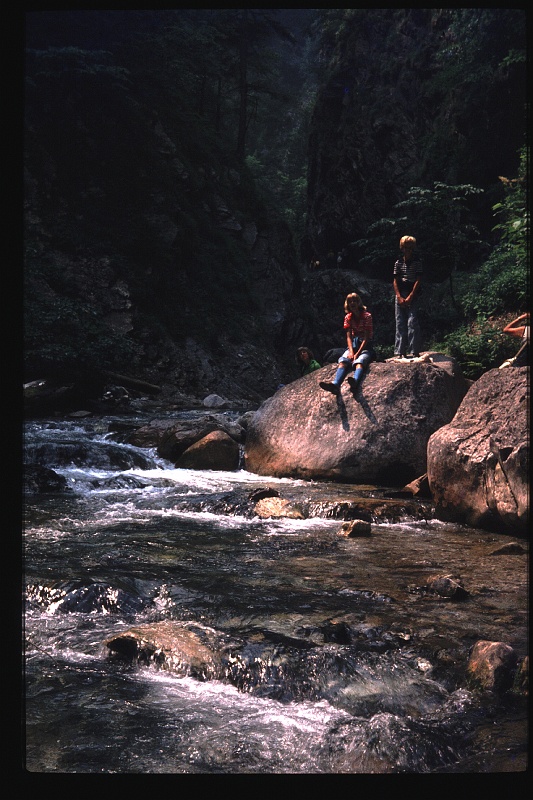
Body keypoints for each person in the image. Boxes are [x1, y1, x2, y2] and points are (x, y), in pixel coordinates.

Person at [319, 292, 374, 395]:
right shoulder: (348, 317)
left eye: (355, 301)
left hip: (365, 345)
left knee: (359, 361)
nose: (352, 303)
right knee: (344, 360)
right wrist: (351, 352)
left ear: (359, 303)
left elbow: (366, 338)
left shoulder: (367, 316)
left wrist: (357, 354)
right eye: (350, 302)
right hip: (354, 343)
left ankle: (355, 382)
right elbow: (348, 336)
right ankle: (335, 384)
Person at [393, 235, 423, 359]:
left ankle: (414, 350)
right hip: (401, 292)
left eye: (410, 247)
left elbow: (418, 279)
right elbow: (395, 280)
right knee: (400, 322)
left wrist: (411, 295)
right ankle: (400, 352)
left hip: (413, 293)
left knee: (412, 321)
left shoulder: (417, 263)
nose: (407, 250)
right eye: (405, 247)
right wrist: (399, 296)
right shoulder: (398, 263)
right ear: (402, 248)